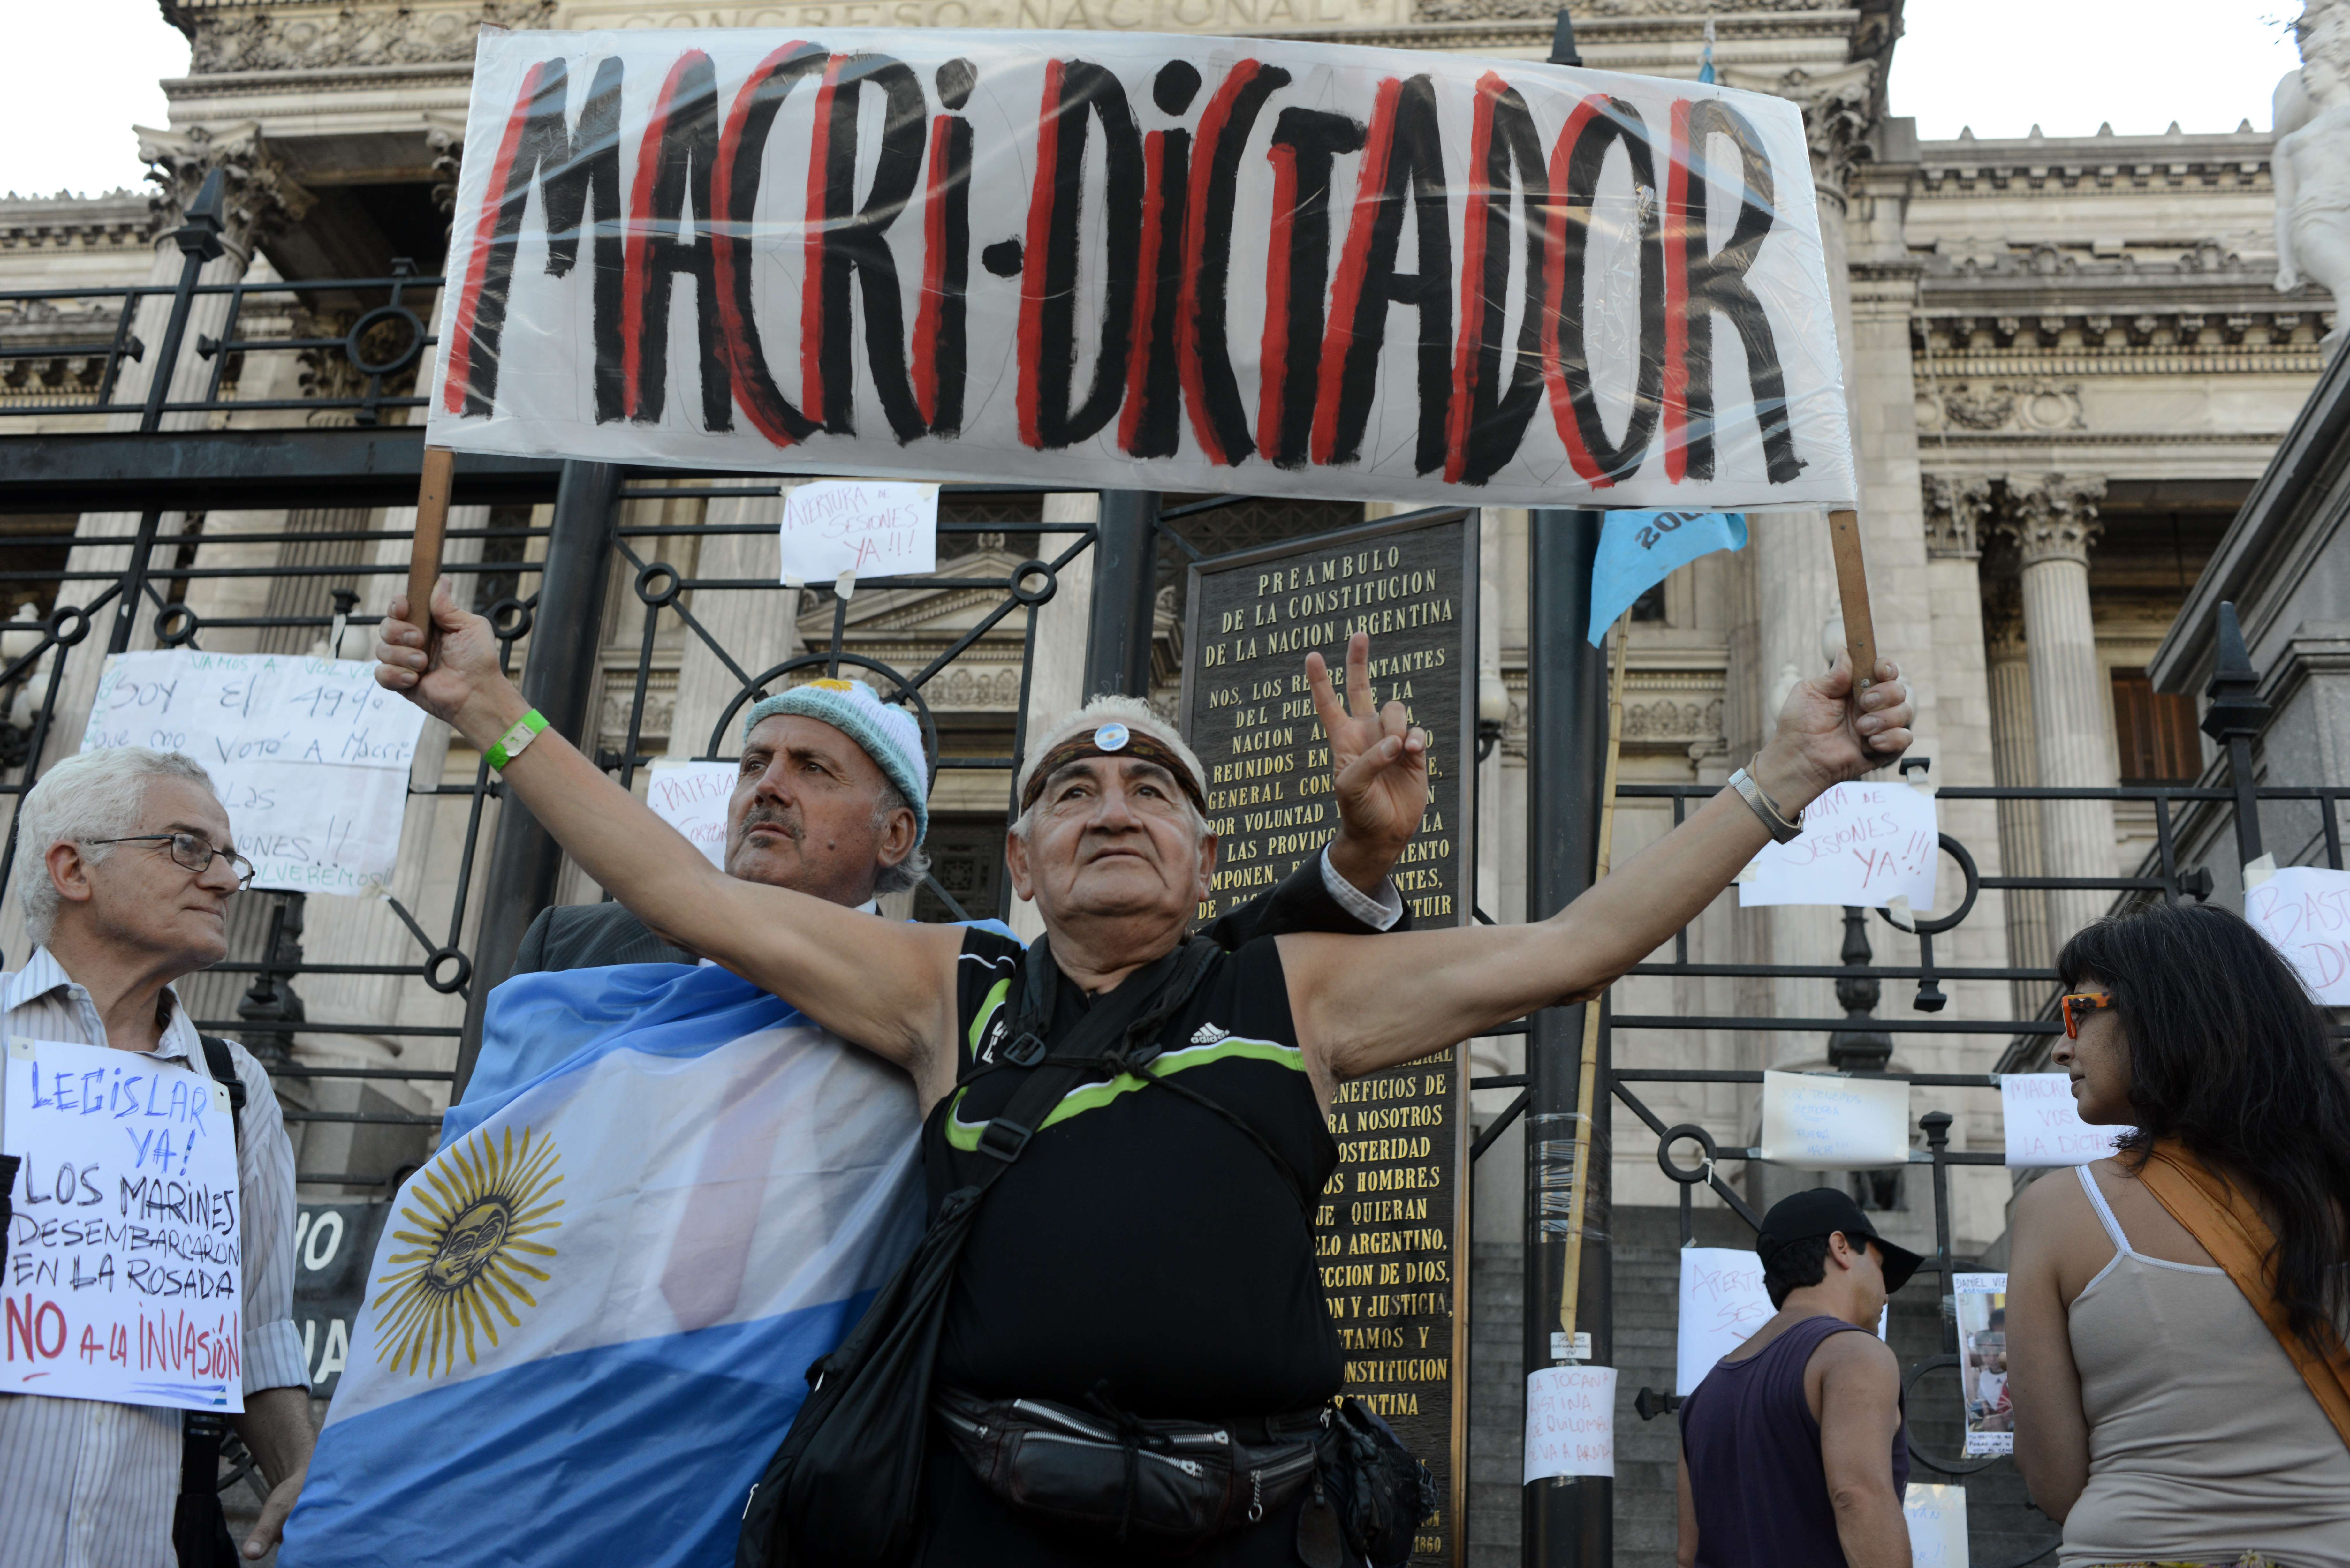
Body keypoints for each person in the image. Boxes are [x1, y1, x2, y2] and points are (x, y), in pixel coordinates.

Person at [375, 575, 1913, 1564]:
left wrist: (1780, 773)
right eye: (1070, 791)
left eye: (1150, 790)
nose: (1111, 806)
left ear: (1205, 850)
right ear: (1021, 863)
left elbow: (1576, 942)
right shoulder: (949, 987)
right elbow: (693, 893)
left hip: (1246, 1523)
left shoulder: (1296, 985)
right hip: (981, 1519)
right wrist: (492, 709)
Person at [509, 666, 1419, 977]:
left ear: (898, 838)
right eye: (754, 765)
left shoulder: (960, 985)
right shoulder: (569, 948)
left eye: (813, 769)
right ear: (1019, 862)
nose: (768, 789)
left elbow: (1225, 961)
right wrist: (487, 709)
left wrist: (1365, 853)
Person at [0, 748, 314, 1566]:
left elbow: (256, 1328)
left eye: (228, 855)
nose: (225, 879)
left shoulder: (234, 1085)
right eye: (186, 846)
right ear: (74, 868)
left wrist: (300, 1472)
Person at [2005, 902, 2350, 1568]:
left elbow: (2052, 1477)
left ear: (2161, 1013)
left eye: (2077, 1010)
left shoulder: (2057, 1210)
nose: (2060, 1045)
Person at [1675, 1187, 1923, 1568]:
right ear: (1840, 1247)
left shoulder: (1701, 1397)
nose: (1886, 1292)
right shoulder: (1854, 1354)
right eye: (1879, 1264)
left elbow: (1687, 1555)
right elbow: (1858, 1498)